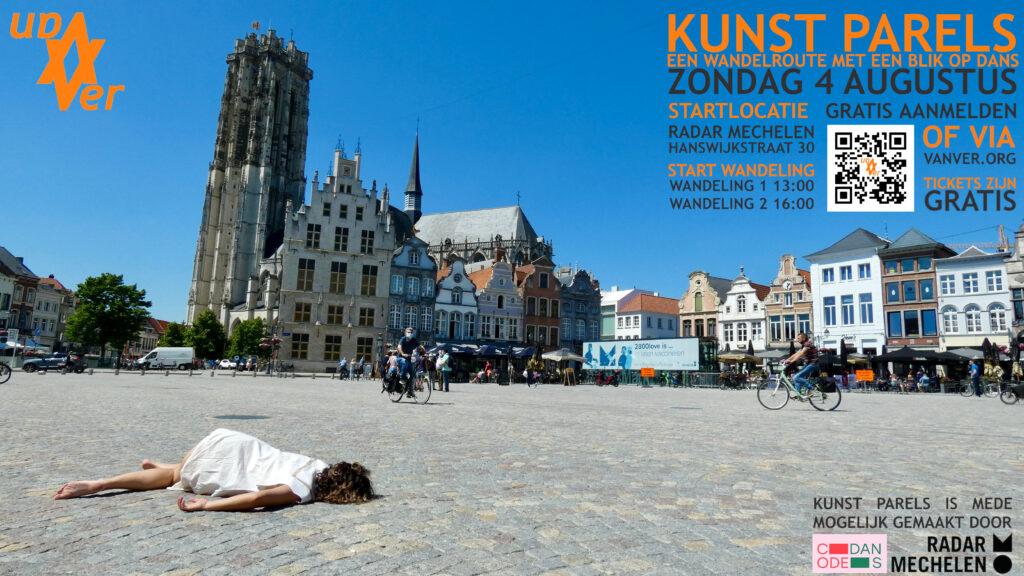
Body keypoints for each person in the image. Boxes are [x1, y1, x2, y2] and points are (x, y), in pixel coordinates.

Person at [54, 428, 373, 511]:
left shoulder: (316, 464)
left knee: (175, 471)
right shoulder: (302, 489)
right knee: (173, 478)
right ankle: (96, 485)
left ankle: (166, 466)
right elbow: (255, 501)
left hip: (237, 443)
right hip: (226, 464)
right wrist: (209, 505)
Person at [783, 332, 819, 398]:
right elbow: (796, 354)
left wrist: (791, 362)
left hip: (813, 364)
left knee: (795, 377)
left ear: (803, 338)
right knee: (795, 377)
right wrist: (787, 360)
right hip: (809, 364)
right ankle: (799, 395)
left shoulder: (807, 344)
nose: (797, 340)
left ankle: (812, 389)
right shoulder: (804, 345)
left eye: (799, 338)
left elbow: (800, 354)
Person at [397, 328, 425, 397]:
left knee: (413, 375)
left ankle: (410, 391)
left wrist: (424, 351)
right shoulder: (403, 339)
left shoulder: (414, 340)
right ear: (405, 333)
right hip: (400, 358)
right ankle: (402, 378)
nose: (410, 334)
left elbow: (420, 346)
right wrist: (402, 353)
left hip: (409, 360)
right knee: (404, 361)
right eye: (409, 332)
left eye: (411, 333)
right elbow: (399, 346)